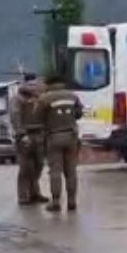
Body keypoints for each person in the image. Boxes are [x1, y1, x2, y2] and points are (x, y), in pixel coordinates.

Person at [36, 75, 83, 212]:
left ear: (49, 84)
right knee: (71, 171)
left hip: (54, 137)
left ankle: (56, 201)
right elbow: (79, 114)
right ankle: (72, 201)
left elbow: (38, 117)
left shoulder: (45, 98)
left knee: (55, 171)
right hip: (71, 137)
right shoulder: (73, 97)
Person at [14, 81, 48, 205]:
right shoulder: (18, 100)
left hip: (39, 134)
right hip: (25, 135)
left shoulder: (39, 100)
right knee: (25, 168)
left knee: (38, 165)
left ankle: (35, 193)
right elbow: (15, 117)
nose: (36, 89)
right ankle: (23, 196)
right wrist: (22, 134)